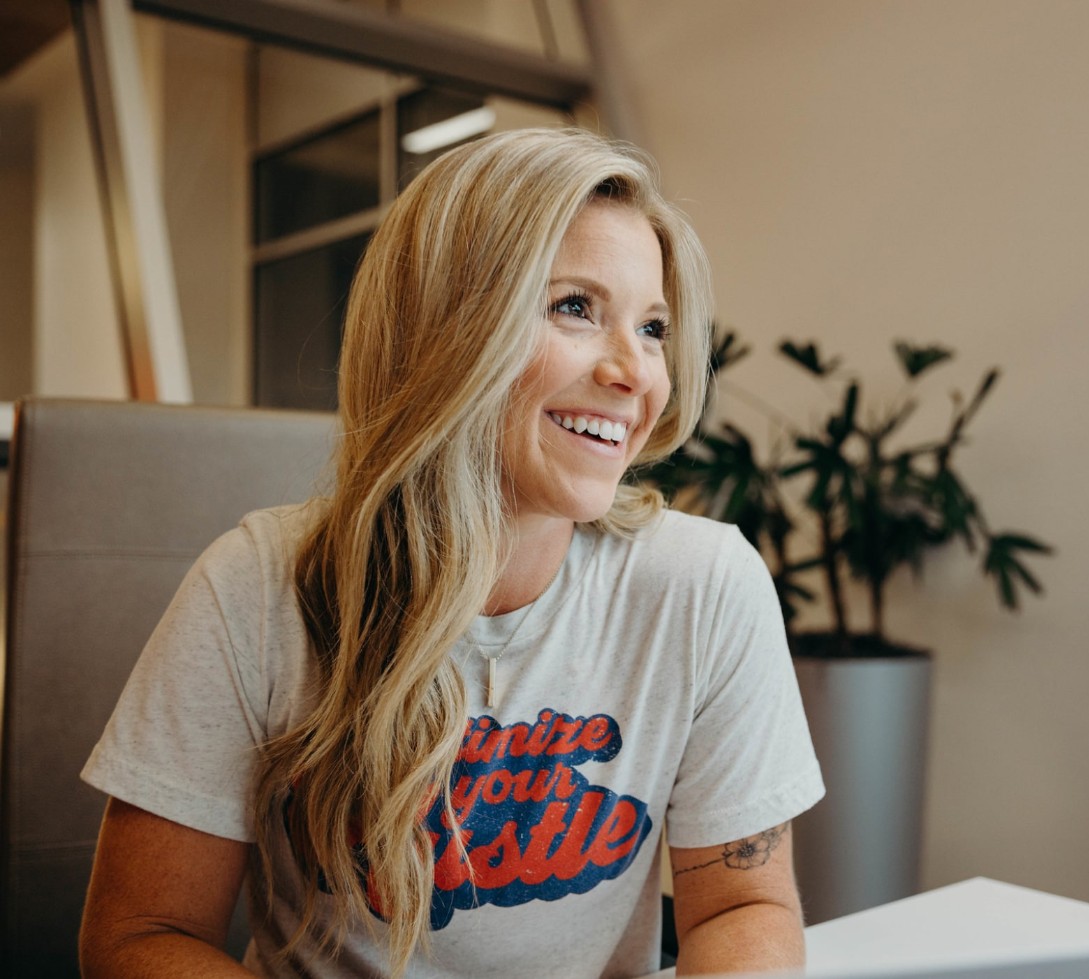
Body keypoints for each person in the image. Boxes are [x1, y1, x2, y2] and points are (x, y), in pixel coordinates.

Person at [78, 128, 824, 978]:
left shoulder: (704, 586)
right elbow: (138, 936)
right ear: (446, 331)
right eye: (574, 306)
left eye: (652, 327)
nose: (636, 373)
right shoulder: (254, 587)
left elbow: (742, 902)